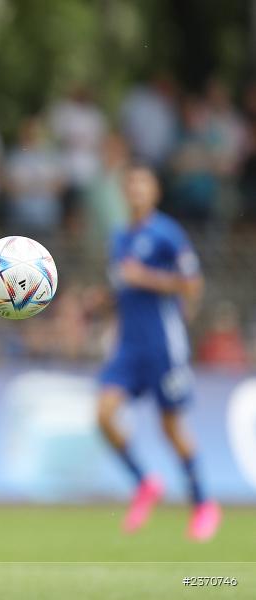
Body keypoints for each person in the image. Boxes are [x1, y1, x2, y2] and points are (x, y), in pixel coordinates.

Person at [96, 165, 220, 541]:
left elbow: (193, 285)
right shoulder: (119, 237)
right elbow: (123, 290)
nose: (135, 190)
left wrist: (147, 278)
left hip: (162, 345)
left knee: (171, 428)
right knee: (103, 415)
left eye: (142, 184)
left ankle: (203, 504)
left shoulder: (167, 234)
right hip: (128, 347)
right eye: (129, 183)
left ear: (155, 192)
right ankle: (145, 482)